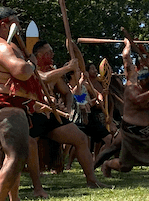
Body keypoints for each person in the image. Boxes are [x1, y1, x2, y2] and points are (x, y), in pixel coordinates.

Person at [0, 7, 42, 201]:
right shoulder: (1, 46)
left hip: (5, 106)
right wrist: (31, 62)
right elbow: (21, 71)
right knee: (17, 155)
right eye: (17, 23)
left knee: (12, 155)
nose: (21, 28)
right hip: (4, 107)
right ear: (5, 25)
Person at [99, 38, 149, 179]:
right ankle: (106, 165)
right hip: (132, 129)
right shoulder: (132, 78)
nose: (145, 64)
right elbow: (126, 58)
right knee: (125, 166)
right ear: (136, 67)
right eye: (142, 63)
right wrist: (128, 45)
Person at [31, 41, 106, 188]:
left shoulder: (55, 72)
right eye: (49, 53)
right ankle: (33, 187)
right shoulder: (31, 68)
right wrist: (68, 68)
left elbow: (66, 92)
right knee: (21, 150)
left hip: (54, 114)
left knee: (81, 139)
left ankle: (92, 180)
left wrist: (67, 107)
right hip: (35, 114)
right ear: (39, 56)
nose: (52, 55)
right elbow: (44, 78)